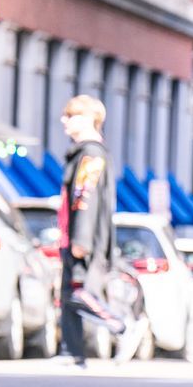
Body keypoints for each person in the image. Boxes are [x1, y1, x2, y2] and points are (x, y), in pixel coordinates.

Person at [57, 96, 145, 367]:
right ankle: (72, 353)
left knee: (77, 292)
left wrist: (81, 239)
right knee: (68, 294)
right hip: (71, 235)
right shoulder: (84, 153)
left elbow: (86, 197)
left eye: (70, 116)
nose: (64, 121)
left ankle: (121, 326)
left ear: (87, 119)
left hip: (81, 238)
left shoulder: (91, 155)